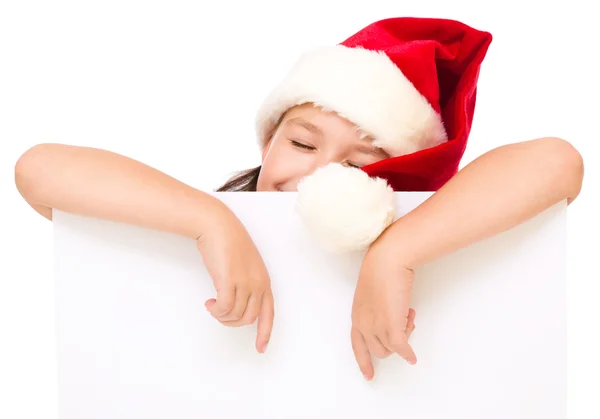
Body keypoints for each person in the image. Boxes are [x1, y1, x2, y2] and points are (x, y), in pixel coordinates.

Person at [14, 17, 584, 382]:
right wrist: (209, 218)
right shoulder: (206, 222)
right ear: (268, 142)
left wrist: (397, 251)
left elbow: (558, 162)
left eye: (359, 164)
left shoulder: (430, 232)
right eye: (303, 142)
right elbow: (38, 170)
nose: (317, 173)